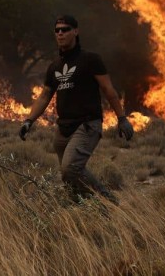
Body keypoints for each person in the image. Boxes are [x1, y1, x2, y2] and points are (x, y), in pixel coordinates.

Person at [19, 15, 133, 204]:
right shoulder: (55, 65)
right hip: (63, 129)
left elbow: (109, 90)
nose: (61, 33)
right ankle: (85, 211)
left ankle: (110, 202)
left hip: (87, 124)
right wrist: (28, 120)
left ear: (76, 32)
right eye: (57, 30)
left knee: (71, 169)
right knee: (69, 177)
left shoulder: (90, 59)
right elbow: (45, 95)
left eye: (65, 29)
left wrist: (122, 118)